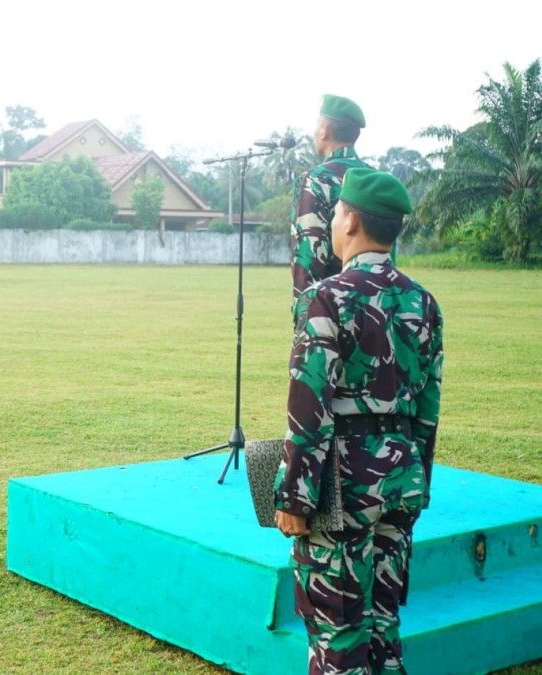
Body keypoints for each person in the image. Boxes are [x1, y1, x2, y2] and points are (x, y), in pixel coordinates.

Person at [273, 169, 444, 674]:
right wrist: (417, 482)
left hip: (343, 487)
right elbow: (427, 410)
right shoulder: (424, 303)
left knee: (336, 632)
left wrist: (293, 498)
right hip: (402, 479)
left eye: (337, 214)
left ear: (348, 222)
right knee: (382, 626)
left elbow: (309, 408)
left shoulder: (325, 297)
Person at [291, 94, 371, 306]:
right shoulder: (375, 180)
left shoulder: (315, 181)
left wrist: (305, 316)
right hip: (375, 306)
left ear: (324, 130)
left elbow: (307, 257)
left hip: (331, 309)